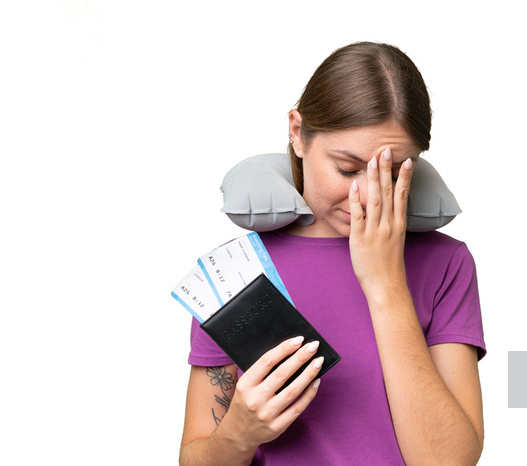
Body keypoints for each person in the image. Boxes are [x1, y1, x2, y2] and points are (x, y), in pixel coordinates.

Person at [179, 42, 486, 465]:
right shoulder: (234, 271)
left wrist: (386, 284)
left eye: (393, 174)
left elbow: (449, 461)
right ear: (297, 133)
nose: (365, 194)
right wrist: (237, 434)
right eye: (346, 168)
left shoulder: (446, 265)